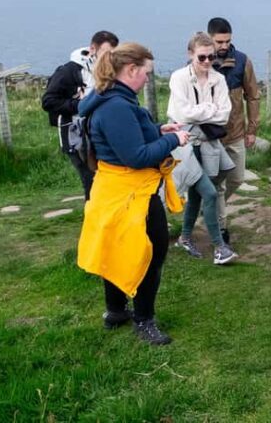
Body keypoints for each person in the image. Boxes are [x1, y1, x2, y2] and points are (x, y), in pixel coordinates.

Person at [77, 42, 190, 346]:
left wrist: (159, 130)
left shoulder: (111, 98)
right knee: (151, 253)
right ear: (131, 70)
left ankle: (115, 312)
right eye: (146, 73)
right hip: (130, 194)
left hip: (112, 191)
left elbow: (130, 137)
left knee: (115, 248)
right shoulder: (117, 107)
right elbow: (136, 156)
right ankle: (144, 320)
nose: (147, 79)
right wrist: (175, 140)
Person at [167, 32, 239, 265]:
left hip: (207, 141)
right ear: (190, 54)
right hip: (184, 142)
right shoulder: (178, 78)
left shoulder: (218, 79)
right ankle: (220, 247)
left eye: (211, 58)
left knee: (199, 194)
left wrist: (199, 111)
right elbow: (183, 113)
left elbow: (224, 114)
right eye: (202, 58)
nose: (207, 62)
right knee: (208, 192)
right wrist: (210, 109)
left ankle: (185, 238)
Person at [41, 30, 119, 199]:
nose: (109, 58)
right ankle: (94, 220)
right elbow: (48, 101)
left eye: (113, 55)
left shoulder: (107, 71)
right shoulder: (68, 71)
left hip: (98, 132)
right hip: (75, 135)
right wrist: (80, 105)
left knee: (104, 178)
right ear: (93, 49)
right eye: (106, 53)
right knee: (90, 180)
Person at [208, 17, 261, 243]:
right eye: (219, 41)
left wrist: (252, 129)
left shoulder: (242, 61)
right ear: (210, 39)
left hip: (237, 133)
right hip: (211, 136)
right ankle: (221, 228)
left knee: (237, 179)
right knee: (217, 185)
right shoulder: (203, 61)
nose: (223, 46)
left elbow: (253, 95)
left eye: (227, 41)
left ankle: (210, 206)